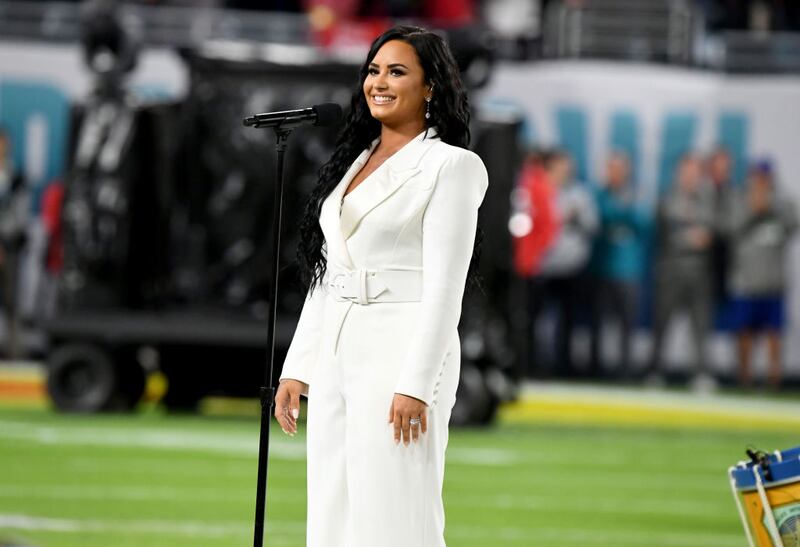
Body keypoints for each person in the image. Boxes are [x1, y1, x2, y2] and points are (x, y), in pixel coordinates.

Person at [273, 26, 488, 547]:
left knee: (395, 515)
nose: (379, 82)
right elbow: (332, 272)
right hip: (338, 354)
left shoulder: (450, 167)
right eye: (373, 70)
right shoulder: (352, 163)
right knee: (331, 510)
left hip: (402, 351)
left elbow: (445, 289)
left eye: (397, 71)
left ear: (430, 87)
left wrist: (416, 382)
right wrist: (298, 368)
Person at [648, 153, 716, 391]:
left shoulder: (706, 199)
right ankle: (655, 370)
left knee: (700, 324)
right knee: (662, 322)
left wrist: (691, 236)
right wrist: (690, 237)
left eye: (694, 171)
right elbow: (666, 234)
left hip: (698, 271)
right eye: (686, 170)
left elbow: (709, 233)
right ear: (679, 172)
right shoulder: (668, 197)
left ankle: (701, 373)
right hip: (671, 269)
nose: (690, 175)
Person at [726, 160, 797, 389]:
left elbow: (794, 224)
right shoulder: (739, 200)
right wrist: (754, 210)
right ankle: (744, 378)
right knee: (744, 331)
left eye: (764, 177)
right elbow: (730, 229)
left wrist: (771, 205)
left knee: (774, 332)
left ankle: (774, 379)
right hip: (746, 281)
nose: (760, 181)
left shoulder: (782, 202)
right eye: (756, 176)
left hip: (772, 282)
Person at [531, 150, 597, 377]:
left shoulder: (579, 194)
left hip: (571, 268)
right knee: (535, 319)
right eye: (561, 166)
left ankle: (564, 366)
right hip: (542, 266)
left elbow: (593, 226)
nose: (565, 171)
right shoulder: (538, 191)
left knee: (568, 321)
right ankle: (535, 364)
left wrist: (577, 217)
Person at [590, 152, 647, 378]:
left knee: (627, 324)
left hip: (628, 270)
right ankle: (595, 367)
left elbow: (643, 224)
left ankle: (625, 369)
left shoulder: (634, 195)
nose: (615, 174)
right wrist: (621, 212)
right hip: (602, 268)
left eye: (619, 169)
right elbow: (599, 220)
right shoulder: (600, 195)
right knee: (598, 322)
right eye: (611, 168)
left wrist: (622, 213)